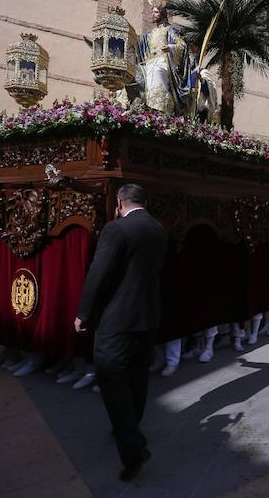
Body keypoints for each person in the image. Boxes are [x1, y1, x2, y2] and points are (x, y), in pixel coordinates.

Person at [75, 184, 168, 482]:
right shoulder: (158, 229)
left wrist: (83, 313)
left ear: (119, 202)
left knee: (111, 379)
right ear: (143, 201)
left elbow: (98, 273)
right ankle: (130, 425)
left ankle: (133, 448)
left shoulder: (117, 230)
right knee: (137, 377)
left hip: (117, 319)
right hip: (147, 315)